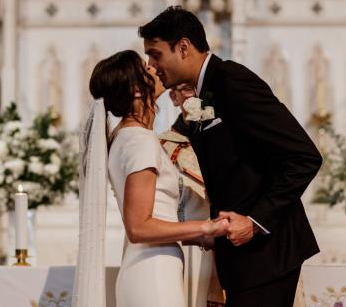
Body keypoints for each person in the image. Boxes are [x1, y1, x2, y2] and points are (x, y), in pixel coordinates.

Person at [140, 6, 323, 307]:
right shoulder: (205, 89)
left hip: (267, 253)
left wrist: (255, 221)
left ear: (183, 47)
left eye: (155, 54)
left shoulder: (232, 82)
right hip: (240, 256)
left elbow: (304, 156)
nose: (152, 65)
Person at [73, 50, 230, 307]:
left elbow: (156, 216)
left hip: (147, 266)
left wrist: (200, 238)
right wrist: (206, 226)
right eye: (147, 69)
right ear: (136, 90)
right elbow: (139, 228)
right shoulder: (140, 141)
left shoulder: (125, 137)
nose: (155, 68)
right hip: (154, 272)